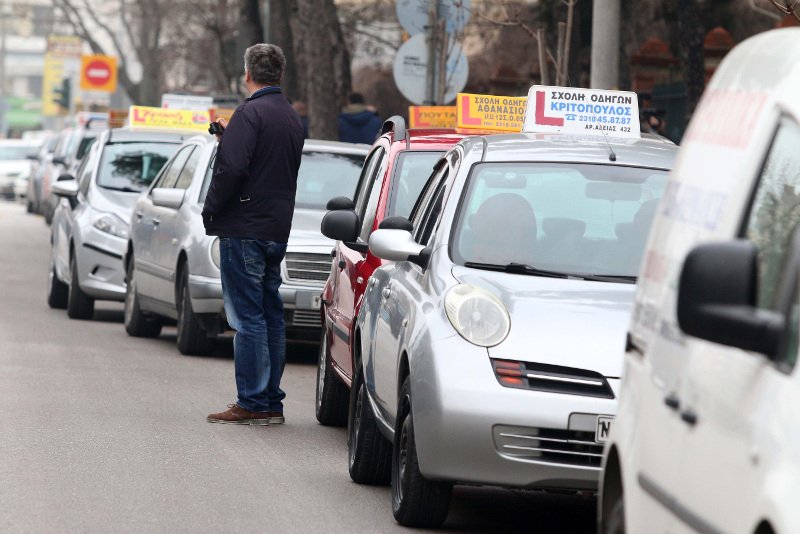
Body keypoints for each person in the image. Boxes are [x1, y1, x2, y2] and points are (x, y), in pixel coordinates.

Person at [203, 43, 305, 425]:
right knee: (269, 315)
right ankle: (270, 401)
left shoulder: (249, 113)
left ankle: (252, 402)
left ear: (247, 74)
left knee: (247, 318)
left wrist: (211, 208)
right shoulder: (290, 117)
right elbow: (268, 164)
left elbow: (232, 169)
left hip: (244, 226)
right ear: (280, 74)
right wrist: (230, 139)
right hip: (276, 228)